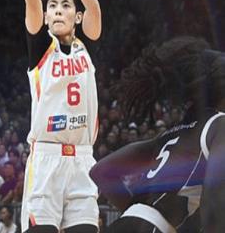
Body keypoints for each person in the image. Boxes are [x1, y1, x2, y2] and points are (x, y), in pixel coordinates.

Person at [15, 0, 102, 233]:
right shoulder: (41, 47)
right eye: (53, 6)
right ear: (47, 16)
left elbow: (94, 7)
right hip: (46, 160)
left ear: (76, 16)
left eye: (66, 5)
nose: (58, 10)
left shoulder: (87, 44)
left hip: (82, 159)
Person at [89, 36, 225, 233]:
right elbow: (215, 203)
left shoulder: (168, 136)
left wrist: (139, 214)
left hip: (123, 224)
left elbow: (102, 171)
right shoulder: (219, 125)